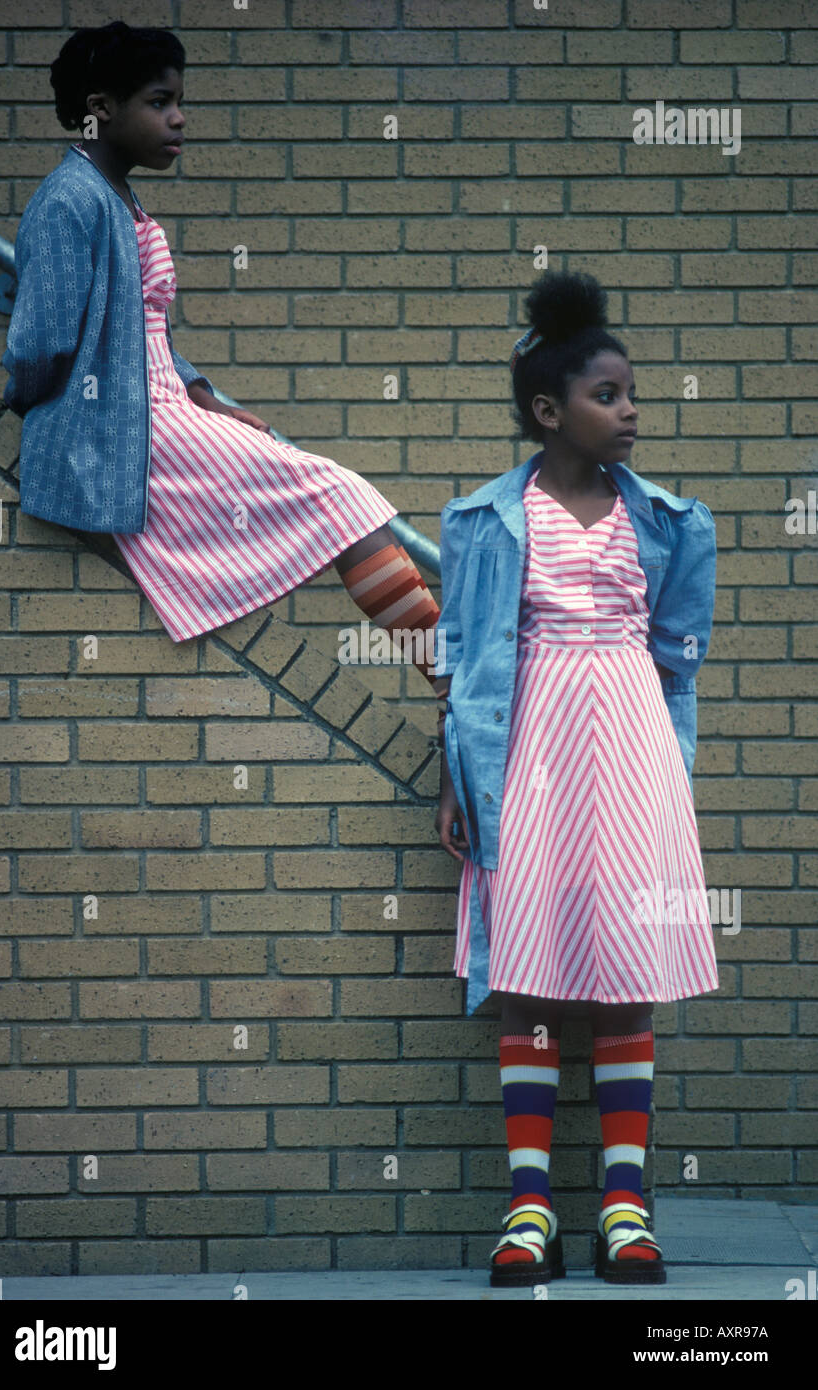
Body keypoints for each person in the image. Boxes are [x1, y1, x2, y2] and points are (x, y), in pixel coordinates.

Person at [1, 20, 447, 703]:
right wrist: (43, 414)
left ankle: (452, 675)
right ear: (101, 108)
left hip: (161, 407)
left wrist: (204, 395)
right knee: (343, 497)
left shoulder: (115, 196)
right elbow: (39, 344)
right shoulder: (70, 201)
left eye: (178, 100)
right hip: (129, 424)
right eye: (158, 101)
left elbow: (141, 330)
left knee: (342, 500)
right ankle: (452, 676)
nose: (178, 118)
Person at [433, 269, 719, 1287]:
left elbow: (677, 657)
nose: (631, 409)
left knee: (626, 973)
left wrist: (667, 772)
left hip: (632, 745)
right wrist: (458, 780)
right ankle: (528, 1213)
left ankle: (626, 1209)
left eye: (632, 392)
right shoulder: (482, 520)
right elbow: (461, 656)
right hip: (530, 754)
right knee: (531, 975)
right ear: (549, 411)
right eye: (609, 395)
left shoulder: (673, 523)